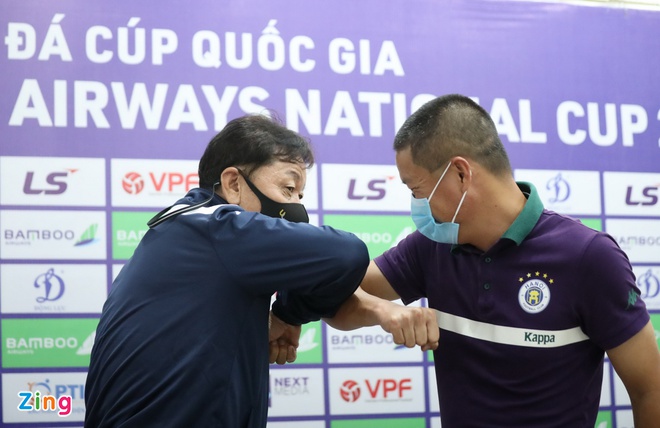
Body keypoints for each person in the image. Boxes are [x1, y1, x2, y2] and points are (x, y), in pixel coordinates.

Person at [326, 94, 660, 427]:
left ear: (461, 174)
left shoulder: (589, 257)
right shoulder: (430, 247)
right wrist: (383, 311)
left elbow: (650, 389)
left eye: (416, 189)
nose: (416, 204)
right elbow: (333, 298)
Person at [84, 114, 437, 427]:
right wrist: (287, 315)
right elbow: (347, 254)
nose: (296, 207)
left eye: (300, 195)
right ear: (233, 184)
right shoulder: (218, 228)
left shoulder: (186, 230)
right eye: (288, 188)